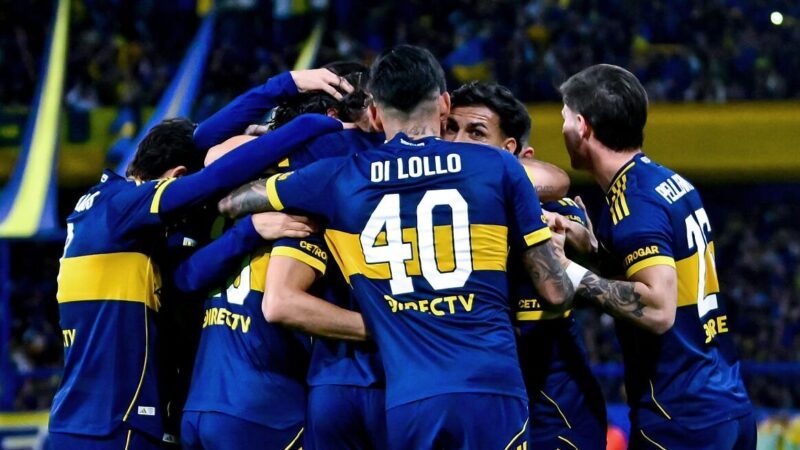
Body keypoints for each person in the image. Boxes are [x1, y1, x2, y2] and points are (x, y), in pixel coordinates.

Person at [220, 44, 576, 450]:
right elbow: (556, 292)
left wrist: (279, 157)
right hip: (490, 386)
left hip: (409, 400)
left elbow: (233, 199)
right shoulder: (499, 166)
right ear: (444, 104)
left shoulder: (337, 176)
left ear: (374, 113)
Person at [49, 110, 347, 449]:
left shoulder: (102, 208)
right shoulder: (128, 209)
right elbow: (214, 178)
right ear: (177, 177)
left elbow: (184, 277)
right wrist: (314, 122)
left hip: (85, 417)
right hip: (120, 422)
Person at [177, 61, 385, 450]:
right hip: (267, 409)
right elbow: (282, 305)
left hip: (204, 401)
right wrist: (393, 327)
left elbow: (207, 142)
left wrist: (285, 85)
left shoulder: (241, 174)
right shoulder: (335, 158)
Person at [558, 64, 755, 449]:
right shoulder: (668, 182)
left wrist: (568, 271)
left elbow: (659, 308)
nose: (561, 127)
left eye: (565, 117)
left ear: (582, 127)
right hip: (726, 404)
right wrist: (594, 252)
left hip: (681, 418)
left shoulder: (634, 200)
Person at [445, 80, 607, 449]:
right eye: (450, 128)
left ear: (514, 154)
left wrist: (583, 241)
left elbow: (585, 247)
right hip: (477, 403)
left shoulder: (549, 211)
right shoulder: (429, 214)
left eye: (476, 132)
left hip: (555, 410)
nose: (457, 142)